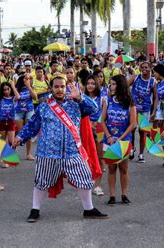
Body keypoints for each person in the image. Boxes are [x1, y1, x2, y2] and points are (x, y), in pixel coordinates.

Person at [13, 76, 107, 222]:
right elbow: (32, 125)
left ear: (66, 88)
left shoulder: (76, 105)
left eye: (62, 86)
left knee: (84, 178)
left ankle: (89, 209)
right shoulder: (44, 106)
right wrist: (20, 137)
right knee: (41, 182)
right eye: (56, 86)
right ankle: (34, 210)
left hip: (72, 152)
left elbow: (94, 109)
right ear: (51, 88)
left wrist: (81, 97)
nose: (60, 89)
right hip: (47, 153)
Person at [101, 75, 137, 205]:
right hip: (109, 141)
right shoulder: (108, 101)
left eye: (114, 84)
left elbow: (133, 123)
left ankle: (124, 194)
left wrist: (120, 138)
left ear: (121, 86)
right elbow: (102, 121)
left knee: (124, 169)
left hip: (124, 141)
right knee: (111, 168)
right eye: (110, 84)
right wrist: (109, 136)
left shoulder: (130, 103)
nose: (111, 87)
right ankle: (112, 196)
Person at [128, 62, 155, 163]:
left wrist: (154, 110)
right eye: (142, 67)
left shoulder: (153, 81)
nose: (144, 69)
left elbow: (156, 97)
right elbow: (125, 86)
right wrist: (128, 98)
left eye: (146, 67)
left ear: (150, 68)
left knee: (143, 132)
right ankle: (131, 149)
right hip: (134, 108)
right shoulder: (135, 77)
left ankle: (141, 154)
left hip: (145, 109)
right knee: (131, 129)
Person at [84, 75, 105, 196]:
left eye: (93, 83)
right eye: (88, 83)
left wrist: (96, 123)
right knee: (86, 156)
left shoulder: (102, 98)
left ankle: (97, 185)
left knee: (99, 157)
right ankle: (87, 180)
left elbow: (104, 115)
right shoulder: (83, 98)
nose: (90, 85)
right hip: (86, 130)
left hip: (99, 130)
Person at [14, 74, 38, 161]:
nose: (28, 80)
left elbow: (35, 97)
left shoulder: (31, 87)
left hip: (29, 110)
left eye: (29, 78)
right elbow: (16, 98)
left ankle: (28, 154)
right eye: (26, 78)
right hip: (19, 111)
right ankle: (13, 153)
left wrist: (29, 86)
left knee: (28, 132)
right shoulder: (17, 88)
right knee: (19, 133)